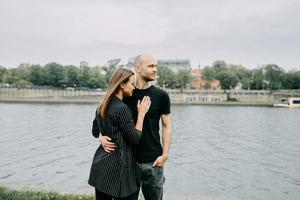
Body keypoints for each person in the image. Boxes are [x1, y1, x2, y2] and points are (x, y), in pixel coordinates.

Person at [100, 54, 172, 200]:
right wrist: (100, 137)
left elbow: (167, 125)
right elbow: (102, 118)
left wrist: (165, 154)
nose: (155, 70)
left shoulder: (161, 95)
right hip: (127, 162)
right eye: (151, 66)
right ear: (138, 68)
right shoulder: (125, 93)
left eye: (156, 66)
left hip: (153, 161)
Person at [88, 68, 151, 200]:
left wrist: (100, 138)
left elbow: (95, 131)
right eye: (132, 84)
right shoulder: (121, 109)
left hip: (101, 166)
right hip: (118, 170)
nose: (134, 87)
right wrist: (141, 114)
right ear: (122, 84)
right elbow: (135, 138)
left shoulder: (102, 105)